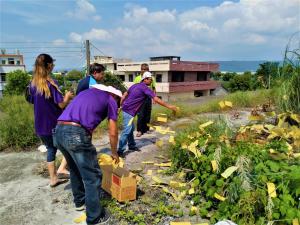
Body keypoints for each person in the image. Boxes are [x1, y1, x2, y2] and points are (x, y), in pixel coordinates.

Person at [53, 84, 121, 225]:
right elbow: (113, 132)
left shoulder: (86, 93)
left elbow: (82, 118)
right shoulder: (111, 99)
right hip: (75, 133)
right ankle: (94, 217)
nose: (117, 103)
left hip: (58, 130)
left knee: (74, 169)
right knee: (93, 177)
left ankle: (80, 202)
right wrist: (114, 152)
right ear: (114, 95)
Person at [29, 53, 73, 187]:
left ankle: (53, 178)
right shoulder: (51, 84)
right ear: (48, 65)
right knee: (69, 146)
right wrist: (67, 96)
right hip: (54, 123)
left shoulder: (32, 84)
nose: (53, 65)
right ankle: (64, 170)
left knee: (51, 150)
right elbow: (61, 104)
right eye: (52, 63)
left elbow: (32, 101)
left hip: (40, 125)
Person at [118, 72, 177, 157]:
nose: (151, 81)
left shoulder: (135, 85)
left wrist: (121, 106)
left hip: (127, 109)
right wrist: (170, 106)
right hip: (128, 111)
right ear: (145, 79)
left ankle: (132, 146)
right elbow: (156, 99)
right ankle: (120, 151)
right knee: (127, 130)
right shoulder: (145, 88)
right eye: (150, 79)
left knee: (131, 129)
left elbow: (124, 95)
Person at [133, 63, 156, 137]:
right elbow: (134, 89)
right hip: (140, 99)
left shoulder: (151, 78)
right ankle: (139, 130)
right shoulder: (137, 78)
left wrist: (154, 98)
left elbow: (153, 88)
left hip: (148, 98)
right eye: (142, 69)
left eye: (145, 69)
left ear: (148, 70)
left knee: (147, 114)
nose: (143, 70)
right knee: (140, 115)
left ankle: (146, 129)